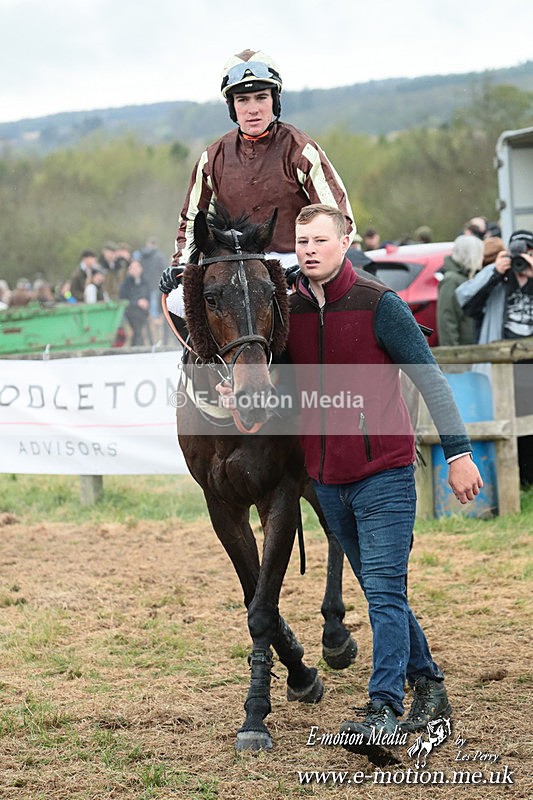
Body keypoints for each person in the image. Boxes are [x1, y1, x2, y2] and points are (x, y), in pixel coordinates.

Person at [286, 204, 482, 761]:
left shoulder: (380, 304)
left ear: (345, 241)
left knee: (383, 592)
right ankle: (433, 686)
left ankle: (384, 708)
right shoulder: (290, 308)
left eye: (320, 239)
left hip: (386, 476)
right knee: (381, 590)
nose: (309, 250)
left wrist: (459, 454)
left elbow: (432, 380)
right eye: (302, 241)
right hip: (326, 482)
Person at [159, 48, 354, 307]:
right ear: (232, 106)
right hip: (234, 265)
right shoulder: (212, 157)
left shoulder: (301, 150)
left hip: (294, 261)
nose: (253, 109)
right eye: (243, 100)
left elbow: (341, 219)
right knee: (175, 302)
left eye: (261, 97)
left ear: (275, 100)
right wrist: (182, 266)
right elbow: (192, 220)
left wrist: (310, 264)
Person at [456, 229, 533, 485]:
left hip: (529, 365)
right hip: (501, 364)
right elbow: (465, 300)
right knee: (505, 420)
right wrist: (494, 272)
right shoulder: (499, 280)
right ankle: (513, 480)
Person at [436, 234, 484, 346]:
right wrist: (453, 358)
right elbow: (447, 321)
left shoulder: (469, 277)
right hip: (461, 354)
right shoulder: (451, 280)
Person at [119, 258, 151, 345]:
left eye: (137, 267)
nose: (135, 270)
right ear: (129, 270)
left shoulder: (145, 281)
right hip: (130, 311)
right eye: (133, 268)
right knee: (137, 327)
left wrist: (146, 303)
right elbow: (123, 299)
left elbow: (148, 296)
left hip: (143, 311)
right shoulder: (125, 283)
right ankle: (137, 344)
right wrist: (137, 302)